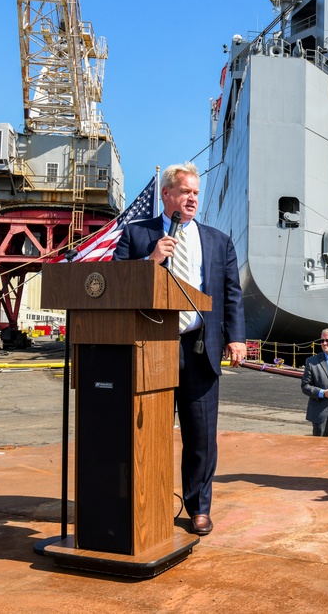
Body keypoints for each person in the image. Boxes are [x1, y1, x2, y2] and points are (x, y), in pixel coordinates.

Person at [113, 161, 246, 537]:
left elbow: (231, 294)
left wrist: (236, 337)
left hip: (201, 348)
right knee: (148, 431)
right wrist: (150, 262)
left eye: (196, 193)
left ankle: (198, 507)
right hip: (153, 347)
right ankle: (147, 501)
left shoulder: (219, 241)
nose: (192, 199)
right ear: (166, 194)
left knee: (201, 435)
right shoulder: (138, 235)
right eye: (185, 191)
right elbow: (116, 283)